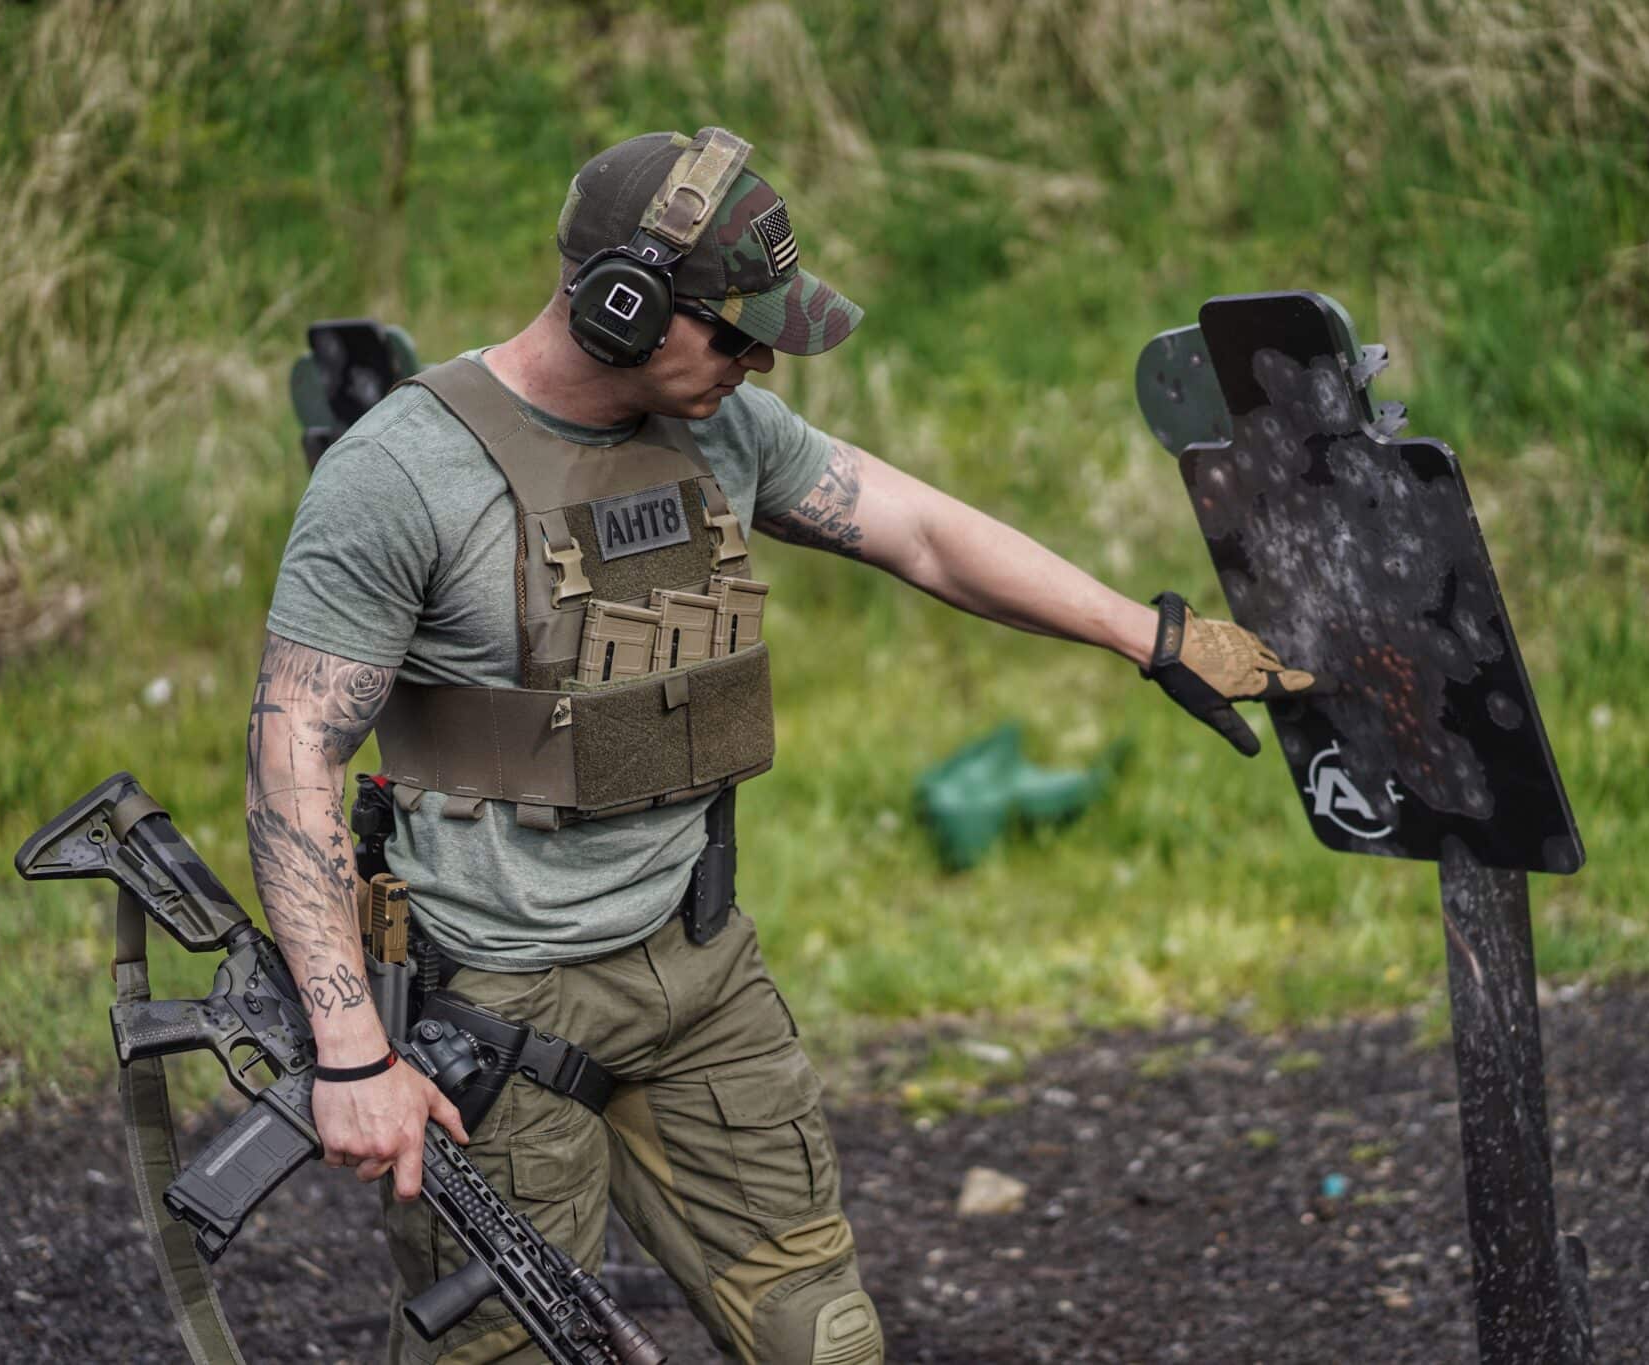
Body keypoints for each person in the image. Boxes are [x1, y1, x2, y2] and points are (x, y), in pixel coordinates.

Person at [246, 127, 1314, 1365]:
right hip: (490, 1009)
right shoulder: (403, 476)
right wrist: (350, 1053)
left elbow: (916, 530)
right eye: (732, 331)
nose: (755, 362)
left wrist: (1152, 636)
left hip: (697, 971)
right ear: (621, 308)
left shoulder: (724, 430)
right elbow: (293, 761)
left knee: (822, 1337)